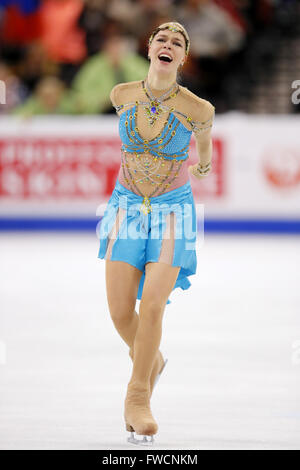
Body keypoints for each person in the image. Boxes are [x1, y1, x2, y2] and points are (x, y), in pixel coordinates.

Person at [97, 21, 215, 445]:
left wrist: (203, 165)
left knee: (151, 308)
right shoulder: (121, 95)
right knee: (118, 311)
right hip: (124, 209)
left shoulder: (198, 108)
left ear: (184, 57)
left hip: (173, 214)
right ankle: (154, 360)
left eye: (178, 43)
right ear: (149, 48)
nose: (168, 46)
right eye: (162, 40)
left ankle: (138, 396)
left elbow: (204, 148)